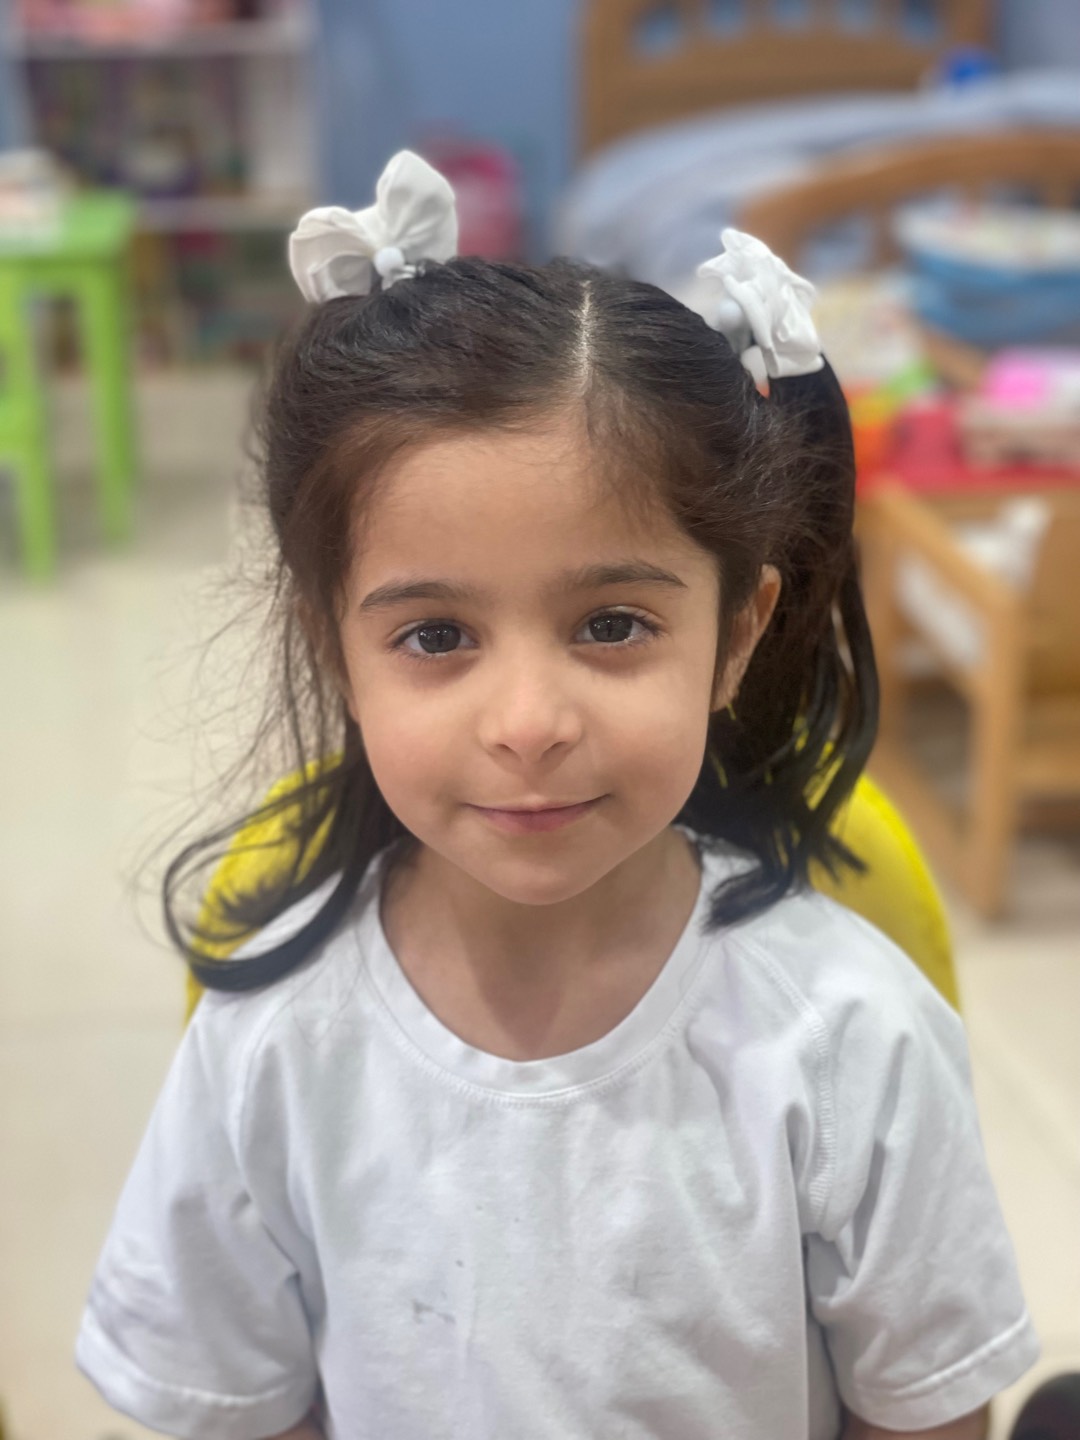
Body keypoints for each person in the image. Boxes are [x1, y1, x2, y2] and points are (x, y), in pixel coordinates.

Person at [75, 152, 1038, 1440]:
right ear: (335, 651)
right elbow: (239, 1403)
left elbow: (925, 1409)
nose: (528, 724)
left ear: (737, 635)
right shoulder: (270, 1043)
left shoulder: (850, 1036)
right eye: (435, 637)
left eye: (612, 623)